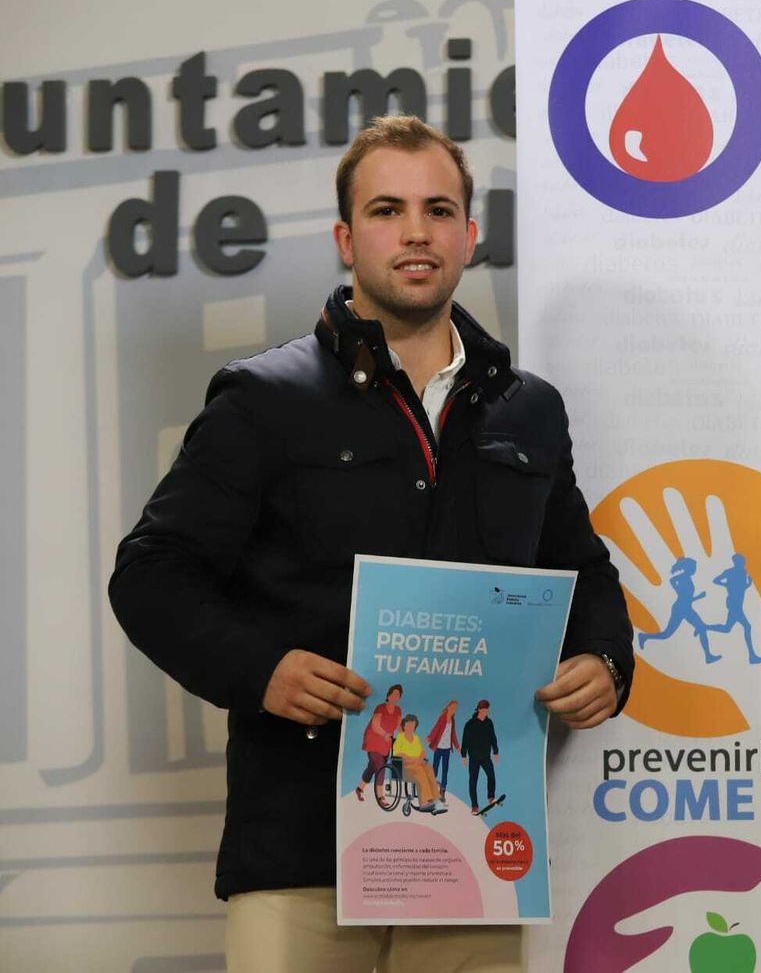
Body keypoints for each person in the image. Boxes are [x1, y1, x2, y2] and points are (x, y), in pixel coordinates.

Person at [109, 114, 635, 972]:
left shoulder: (528, 408)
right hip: (301, 847)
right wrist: (262, 669)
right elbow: (152, 575)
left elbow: (581, 571)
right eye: (388, 210)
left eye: (439, 209)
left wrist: (606, 661)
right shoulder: (262, 400)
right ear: (347, 238)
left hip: (469, 850)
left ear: (470, 235)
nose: (417, 232)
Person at [354, 683, 403, 802]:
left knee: (371, 768)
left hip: (385, 744)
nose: (396, 697)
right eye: (394, 694)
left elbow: (399, 728)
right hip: (373, 741)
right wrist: (386, 734)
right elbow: (375, 726)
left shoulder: (398, 710)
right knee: (381, 767)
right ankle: (381, 796)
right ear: (389, 695)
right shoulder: (380, 708)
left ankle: (359, 789)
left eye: (398, 695)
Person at [392, 714, 444, 814]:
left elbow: (422, 752)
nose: (410, 728)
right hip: (405, 767)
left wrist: (420, 759)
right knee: (420, 771)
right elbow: (397, 753)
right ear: (404, 726)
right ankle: (424, 802)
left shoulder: (416, 738)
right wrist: (411, 759)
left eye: (413, 726)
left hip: (418, 764)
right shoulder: (400, 737)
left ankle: (437, 801)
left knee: (428, 768)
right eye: (408, 725)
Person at [461, 698, 499, 814]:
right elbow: (465, 740)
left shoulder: (489, 723)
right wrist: (464, 756)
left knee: (491, 776)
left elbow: (493, 738)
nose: (486, 712)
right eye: (483, 710)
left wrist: (496, 752)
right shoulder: (470, 724)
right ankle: (474, 806)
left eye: (487, 710)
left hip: (486, 757)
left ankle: (491, 797)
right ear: (479, 710)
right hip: (473, 757)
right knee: (473, 781)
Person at [426, 698, 460, 796]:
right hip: (439, 747)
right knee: (435, 768)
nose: (454, 710)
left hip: (447, 749)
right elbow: (436, 729)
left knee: (445, 770)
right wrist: (429, 737)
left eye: (456, 708)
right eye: (453, 707)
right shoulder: (442, 718)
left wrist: (457, 747)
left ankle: (442, 790)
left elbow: (453, 734)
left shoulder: (452, 720)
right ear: (449, 707)